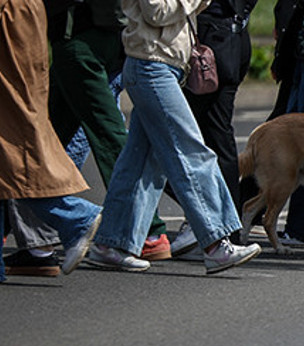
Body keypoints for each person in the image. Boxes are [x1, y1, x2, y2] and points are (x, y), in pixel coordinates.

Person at [87, 0, 261, 274]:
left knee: (139, 164)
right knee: (191, 152)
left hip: (161, 65)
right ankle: (216, 243)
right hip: (151, 66)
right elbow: (156, 11)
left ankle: (111, 243)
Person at [0, 0, 103, 283]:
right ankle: (72, 219)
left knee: (16, 154)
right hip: (28, 27)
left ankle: (75, 216)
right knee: (13, 155)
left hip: (15, 27)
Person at [170, 0, 257, 255]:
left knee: (184, 137)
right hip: (233, 36)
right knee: (218, 137)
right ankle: (223, 225)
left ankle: (209, 219)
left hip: (211, 40)